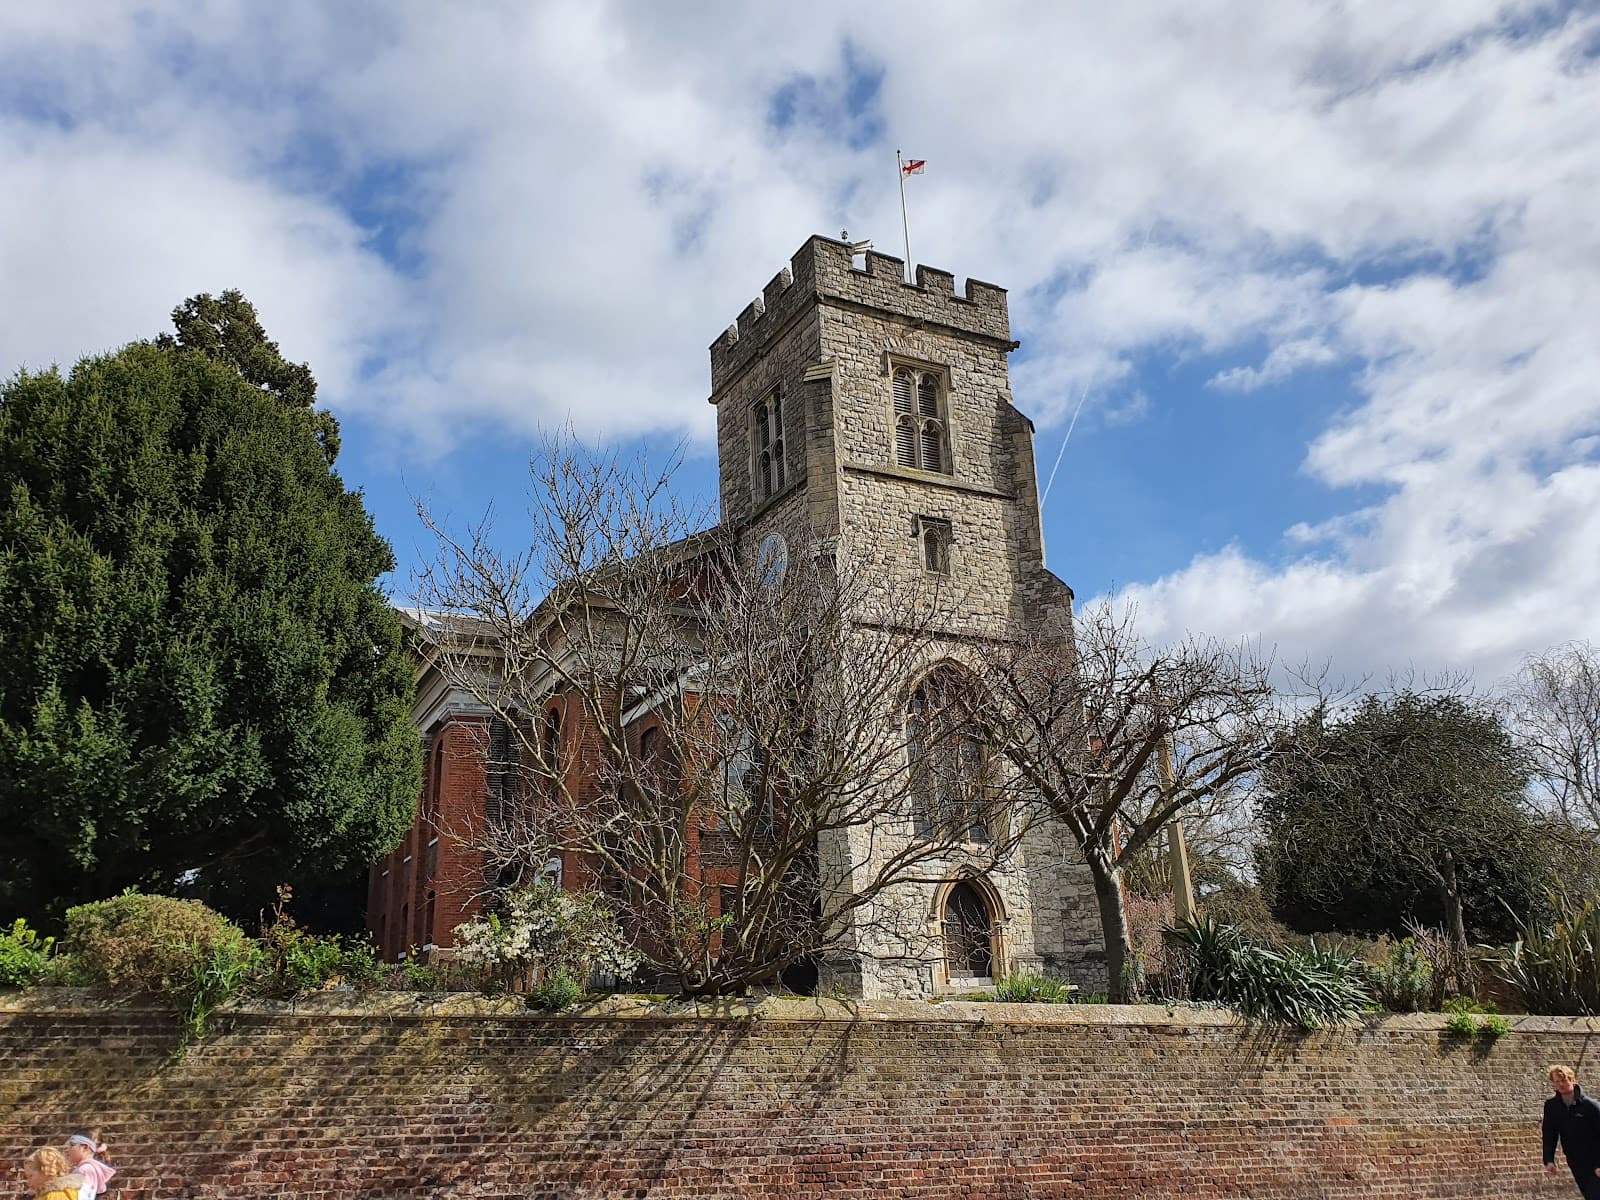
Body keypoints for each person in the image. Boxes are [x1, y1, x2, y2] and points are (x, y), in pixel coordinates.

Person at [1544, 1064, 1600, 1199]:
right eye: (1557, 1081)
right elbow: (1549, 1133)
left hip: (1595, 1161)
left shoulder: (1590, 1106)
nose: (1561, 1084)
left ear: (1572, 1080)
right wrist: (1548, 1159)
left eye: (1564, 1080)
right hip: (1575, 1161)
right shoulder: (1552, 1107)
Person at [62, 1134, 115, 1200]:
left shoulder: (84, 1170)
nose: (67, 1150)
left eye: (72, 1145)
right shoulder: (91, 1168)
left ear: (85, 1147)